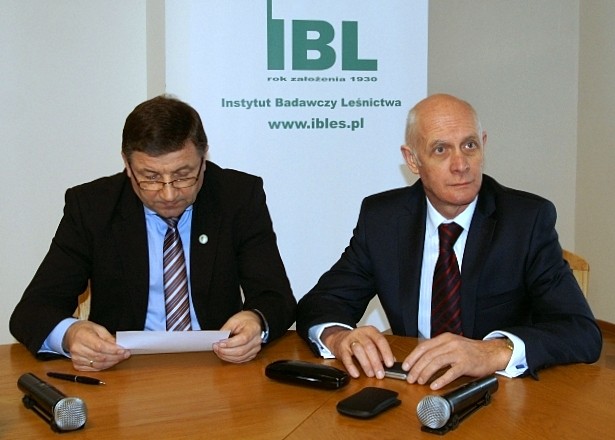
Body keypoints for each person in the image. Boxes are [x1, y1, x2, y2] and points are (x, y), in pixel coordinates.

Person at [296, 93, 602, 390]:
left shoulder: (525, 221)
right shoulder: (384, 220)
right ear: (412, 160)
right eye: (441, 149)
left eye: (469, 145)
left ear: (483, 145)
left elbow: (581, 331)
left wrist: (494, 350)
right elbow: (321, 303)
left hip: (501, 392)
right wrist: (339, 337)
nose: (461, 164)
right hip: (411, 387)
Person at [10, 95, 296, 371]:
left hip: (220, 366)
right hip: (122, 370)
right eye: (151, 177)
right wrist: (70, 335)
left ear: (203, 158)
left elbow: (276, 297)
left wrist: (256, 322)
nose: (169, 194)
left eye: (183, 175)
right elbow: (32, 311)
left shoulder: (238, 197)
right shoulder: (93, 207)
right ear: (127, 165)